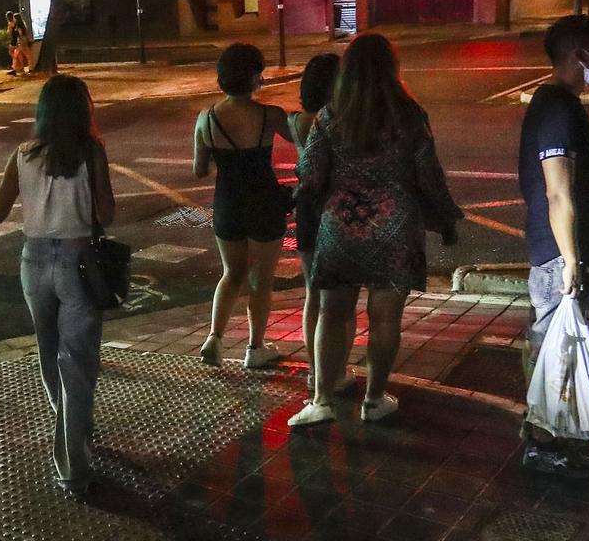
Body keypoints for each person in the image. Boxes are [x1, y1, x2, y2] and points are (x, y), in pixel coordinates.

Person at [288, 33, 462, 428]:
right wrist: (445, 220)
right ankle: (374, 399)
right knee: (385, 319)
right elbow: (429, 176)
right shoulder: (410, 116)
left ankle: (321, 400)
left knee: (332, 313)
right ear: (391, 69)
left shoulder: (331, 116)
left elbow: (311, 175)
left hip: (342, 226)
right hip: (396, 228)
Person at [0, 74, 118, 495]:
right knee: (77, 364)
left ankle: (73, 425)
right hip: (78, 264)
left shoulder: (23, 153)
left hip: (34, 261)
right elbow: (108, 213)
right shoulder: (90, 151)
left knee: (50, 355)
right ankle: (73, 468)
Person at [516, 16, 589, 478]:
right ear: (577, 54)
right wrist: (572, 259)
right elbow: (557, 191)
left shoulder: (560, 104)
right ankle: (543, 444)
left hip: (562, 250)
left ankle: (549, 437)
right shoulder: (556, 109)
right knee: (555, 350)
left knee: (555, 348)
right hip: (558, 254)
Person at [193, 42, 294, 368]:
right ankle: (254, 347)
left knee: (232, 273)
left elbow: (199, 169)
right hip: (265, 202)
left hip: (228, 203)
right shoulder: (270, 116)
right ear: (255, 77)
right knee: (261, 281)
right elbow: (304, 136)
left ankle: (215, 338)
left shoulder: (207, 118)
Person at [290, 53, 340, 390]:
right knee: (336, 298)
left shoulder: (296, 120)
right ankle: (331, 373)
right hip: (331, 209)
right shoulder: (332, 120)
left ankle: (314, 370)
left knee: (312, 293)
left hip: (305, 208)